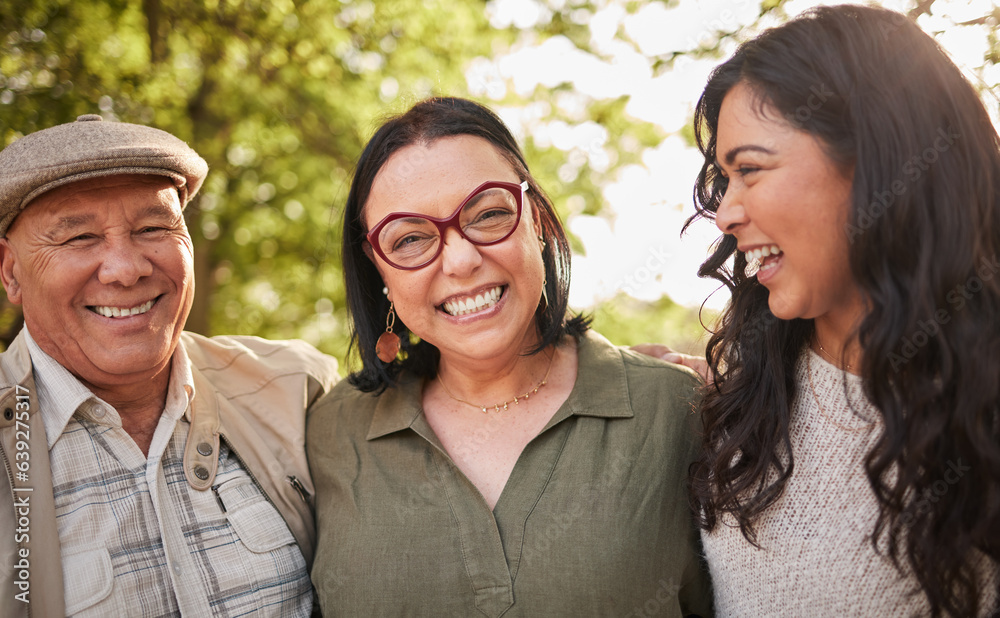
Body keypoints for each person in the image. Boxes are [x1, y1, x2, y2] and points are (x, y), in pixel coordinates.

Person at [307, 97, 712, 616]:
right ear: (378, 269)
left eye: (489, 214)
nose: (460, 260)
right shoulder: (326, 433)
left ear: (537, 219)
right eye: (409, 239)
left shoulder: (679, 411)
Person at [685, 4, 1000, 616]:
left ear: (879, 162)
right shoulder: (737, 401)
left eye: (750, 169)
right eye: (724, 179)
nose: (724, 212)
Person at [0, 115, 338, 617]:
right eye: (79, 238)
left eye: (154, 227)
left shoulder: (298, 392)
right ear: (10, 272)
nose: (127, 268)